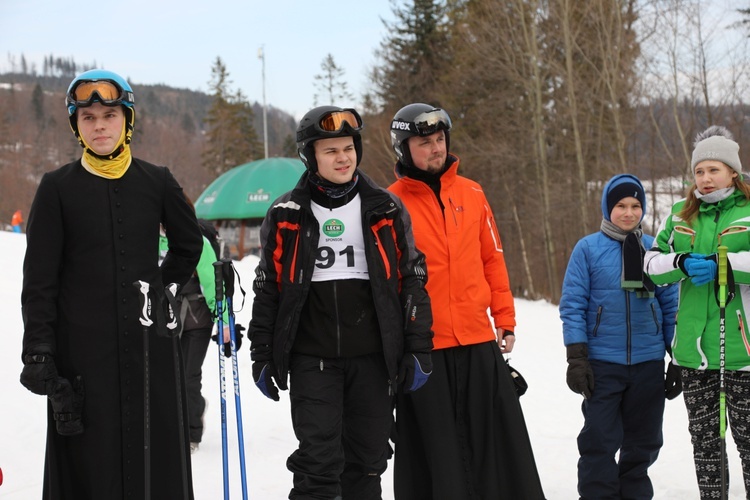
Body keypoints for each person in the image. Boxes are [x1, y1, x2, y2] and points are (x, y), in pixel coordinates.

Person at [20, 69, 202, 499]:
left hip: (148, 349)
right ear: (76, 126)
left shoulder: (156, 179)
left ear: (127, 120)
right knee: (90, 463)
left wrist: (158, 288)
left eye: (109, 115)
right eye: (88, 117)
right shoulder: (56, 188)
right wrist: (39, 352)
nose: (99, 125)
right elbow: (39, 281)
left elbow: (188, 243)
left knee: (152, 459)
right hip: (82, 356)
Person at [248, 105, 434, 499]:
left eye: (348, 147)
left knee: (367, 464)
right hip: (311, 359)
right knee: (318, 462)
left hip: (372, 360)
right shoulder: (286, 213)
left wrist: (418, 346)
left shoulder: (384, 207)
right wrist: (261, 352)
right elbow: (269, 287)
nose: (343, 157)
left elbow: (412, 279)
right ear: (310, 156)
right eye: (330, 150)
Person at [387, 103, 545, 499]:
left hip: (476, 341)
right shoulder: (389, 204)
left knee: (493, 445)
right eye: (425, 143)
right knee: (438, 451)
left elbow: (492, 257)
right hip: (425, 347)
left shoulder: (472, 192)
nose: (436, 149)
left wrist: (505, 317)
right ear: (403, 148)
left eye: (440, 140)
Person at [645, 125, 750, 498]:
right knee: (705, 445)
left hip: (742, 353)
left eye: (714, 170)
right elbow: (651, 264)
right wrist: (682, 261)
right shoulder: (678, 215)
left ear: (733, 171)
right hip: (694, 352)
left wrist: (726, 265)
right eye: (699, 171)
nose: (705, 179)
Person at [560, 173, 680, 499]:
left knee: (643, 442)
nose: (629, 213)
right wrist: (577, 358)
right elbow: (572, 306)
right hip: (603, 363)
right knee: (599, 439)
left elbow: (671, 306)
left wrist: (677, 359)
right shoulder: (587, 249)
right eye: (621, 206)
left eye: (636, 205)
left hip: (648, 363)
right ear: (607, 208)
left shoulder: (655, 249)